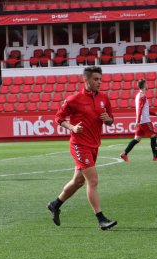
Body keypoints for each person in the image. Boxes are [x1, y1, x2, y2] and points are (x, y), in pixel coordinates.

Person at [47, 66, 117, 231]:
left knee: (78, 181)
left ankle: (55, 205)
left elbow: (110, 120)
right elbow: (58, 117)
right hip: (79, 144)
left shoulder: (104, 98)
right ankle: (101, 219)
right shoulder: (74, 99)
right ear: (86, 80)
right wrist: (71, 127)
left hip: (94, 145)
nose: (99, 82)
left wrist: (108, 120)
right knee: (92, 181)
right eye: (95, 79)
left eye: (100, 79)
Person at [120, 79, 157, 162]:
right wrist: (137, 121)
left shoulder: (138, 95)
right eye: (146, 84)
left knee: (137, 138)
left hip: (141, 121)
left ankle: (124, 153)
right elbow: (140, 109)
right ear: (144, 85)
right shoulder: (142, 96)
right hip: (144, 121)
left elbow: (144, 109)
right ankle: (155, 156)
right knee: (153, 136)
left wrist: (155, 114)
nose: (148, 85)